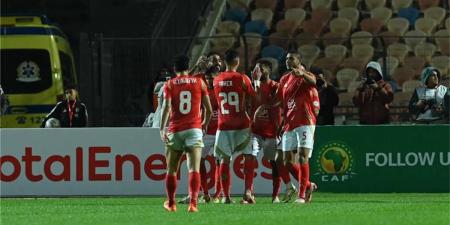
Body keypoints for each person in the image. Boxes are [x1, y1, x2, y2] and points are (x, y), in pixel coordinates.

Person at [258, 51, 319, 203]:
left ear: (299, 60)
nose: (288, 61)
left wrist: (302, 74)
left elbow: (314, 82)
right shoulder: (285, 79)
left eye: (291, 58)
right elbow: (279, 100)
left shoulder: (305, 75)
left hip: (305, 122)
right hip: (290, 124)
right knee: (286, 161)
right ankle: (309, 184)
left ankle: (302, 195)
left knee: (303, 157)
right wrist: (265, 106)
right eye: (286, 59)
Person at [159, 54, 212, 212]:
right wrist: (205, 123)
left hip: (175, 130)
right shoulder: (199, 82)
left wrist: (162, 128)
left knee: (171, 169)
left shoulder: (170, 84)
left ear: (175, 69)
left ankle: (171, 203)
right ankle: (193, 204)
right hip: (194, 129)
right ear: (188, 68)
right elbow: (208, 109)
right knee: (194, 168)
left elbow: (166, 108)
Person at [213, 49, 261, 204]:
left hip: (223, 125)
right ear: (237, 62)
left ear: (225, 62)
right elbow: (255, 98)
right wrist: (256, 81)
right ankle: (248, 191)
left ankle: (226, 197)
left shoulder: (216, 80)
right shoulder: (242, 78)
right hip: (241, 123)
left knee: (224, 160)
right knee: (248, 157)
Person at [250, 59, 296, 203]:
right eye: (256, 69)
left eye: (261, 69)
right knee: (249, 158)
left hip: (272, 131)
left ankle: (275, 195)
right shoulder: (252, 86)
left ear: (269, 71)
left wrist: (281, 123)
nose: (258, 71)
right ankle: (249, 194)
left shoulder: (275, 86)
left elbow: (275, 102)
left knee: (275, 164)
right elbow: (252, 100)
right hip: (255, 131)